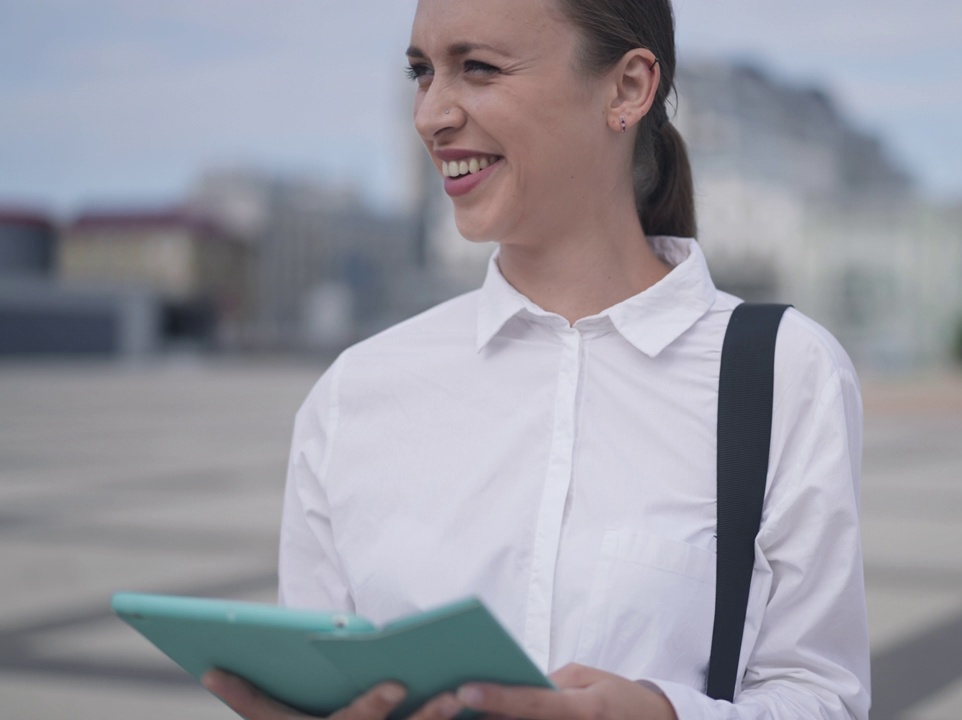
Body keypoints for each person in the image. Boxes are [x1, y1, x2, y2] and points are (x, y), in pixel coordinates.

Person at [203, 0, 870, 717]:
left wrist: (654, 713)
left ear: (627, 90)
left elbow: (820, 697)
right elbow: (328, 683)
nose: (430, 116)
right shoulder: (354, 395)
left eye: (478, 68)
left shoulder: (784, 373)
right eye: (422, 73)